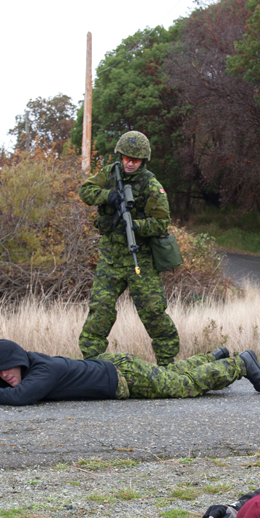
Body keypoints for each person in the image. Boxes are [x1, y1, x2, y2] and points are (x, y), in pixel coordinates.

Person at [78, 130, 179, 367]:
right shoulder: (110, 174)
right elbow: (85, 190)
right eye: (126, 158)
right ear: (120, 156)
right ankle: (91, 364)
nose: (130, 163)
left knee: (153, 312)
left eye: (135, 160)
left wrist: (136, 225)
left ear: (144, 160)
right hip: (111, 258)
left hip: (140, 258)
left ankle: (168, 363)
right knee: (100, 309)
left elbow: (162, 221)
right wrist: (108, 196)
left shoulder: (151, 185)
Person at [0, 339, 260, 406]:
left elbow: (22, 397)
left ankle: (240, 363)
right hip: (115, 366)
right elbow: (0, 381)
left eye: (9, 369)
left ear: (20, 361)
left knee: (182, 386)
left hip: (123, 377)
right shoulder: (29, 364)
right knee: (169, 373)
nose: (5, 376)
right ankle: (215, 357)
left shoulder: (43, 371)